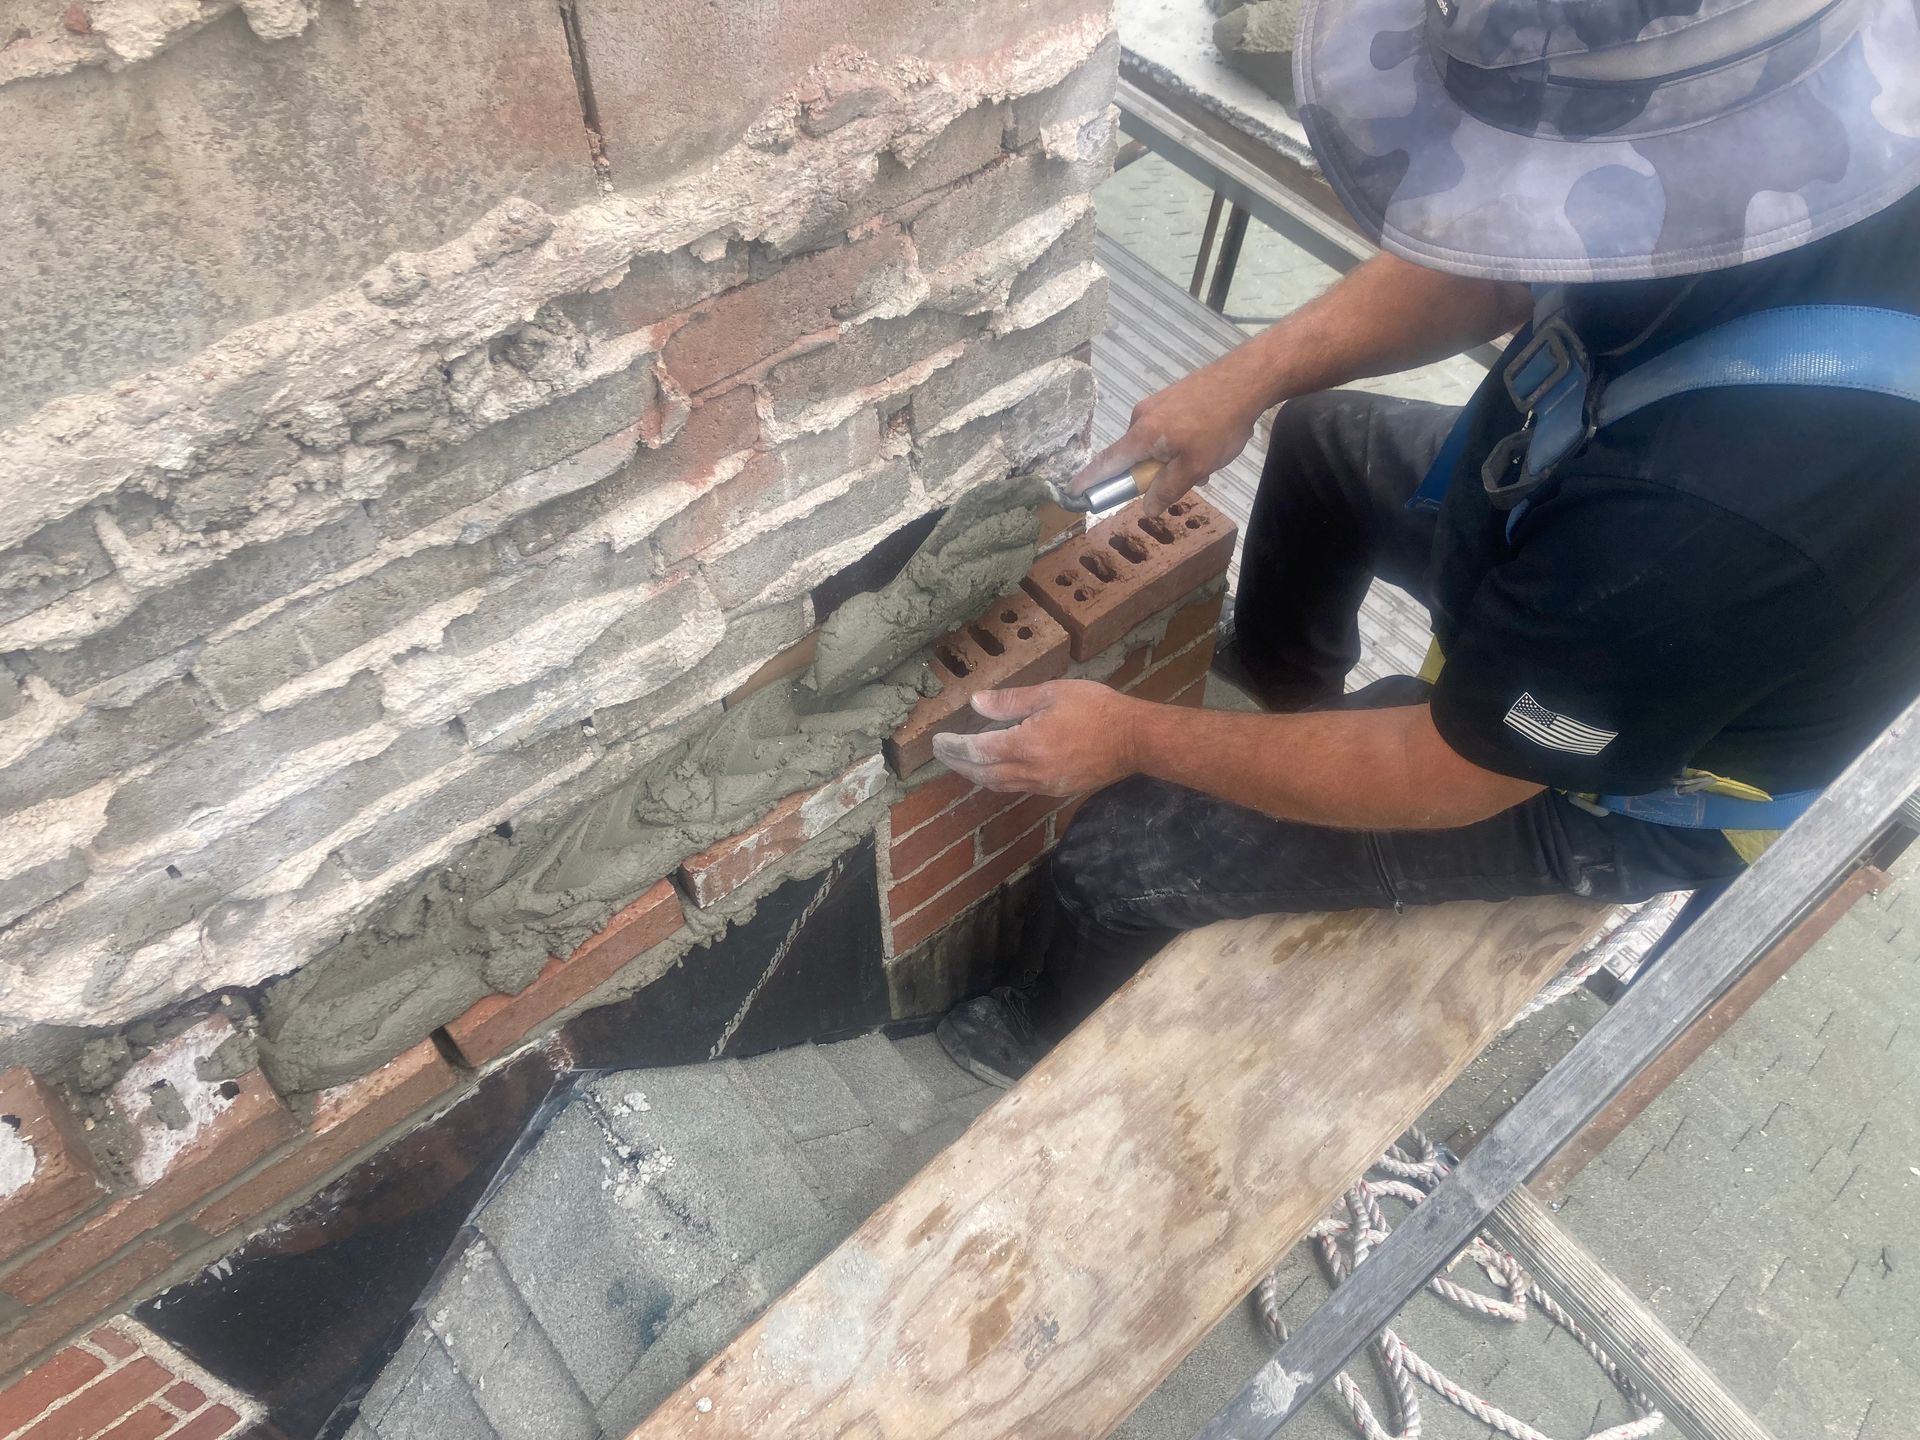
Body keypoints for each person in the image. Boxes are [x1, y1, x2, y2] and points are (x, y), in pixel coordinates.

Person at [933, 0, 1920, 1086]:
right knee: (1323, 445)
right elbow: (1500, 257)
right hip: (1577, 507)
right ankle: (1283, 698)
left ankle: (1040, 1042)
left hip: (1613, 774)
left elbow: (1456, 774)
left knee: (1120, 853)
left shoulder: (1720, 514)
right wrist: (1247, 379)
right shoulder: (1753, 103)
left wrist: (1132, 739)